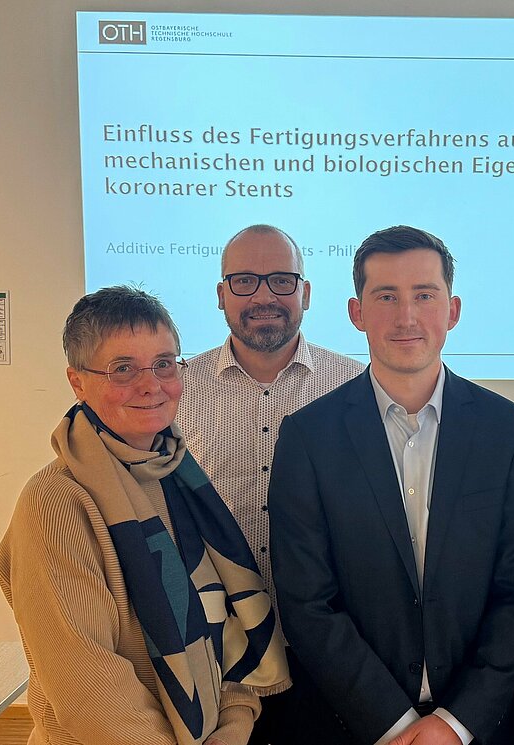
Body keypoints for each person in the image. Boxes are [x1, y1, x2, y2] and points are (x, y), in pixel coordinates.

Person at [268, 225, 514, 745]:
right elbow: (307, 602)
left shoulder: (507, 431)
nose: (407, 317)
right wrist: (396, 725)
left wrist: (456, 723)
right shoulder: (308, 437)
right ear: (356, 313)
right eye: (386, 297)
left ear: (453, 310)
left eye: (424, 295)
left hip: (477, 726)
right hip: (353, 725)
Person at [0, 286, 289, 745]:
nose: (151, 385)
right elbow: (90, 693)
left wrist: (233, 726)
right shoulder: (55, 503)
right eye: (123, 369)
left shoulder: (178, 478)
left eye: (164, 363)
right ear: (77, 382)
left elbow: (226, 632)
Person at [176, 224, 363, 743]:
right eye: (244, 281)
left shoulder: (356, 387)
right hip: (216, 654)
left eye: (282, 280)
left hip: (329, 651)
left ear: (306, 292)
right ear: (221, 294)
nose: (264, 296)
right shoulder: (176, 393)